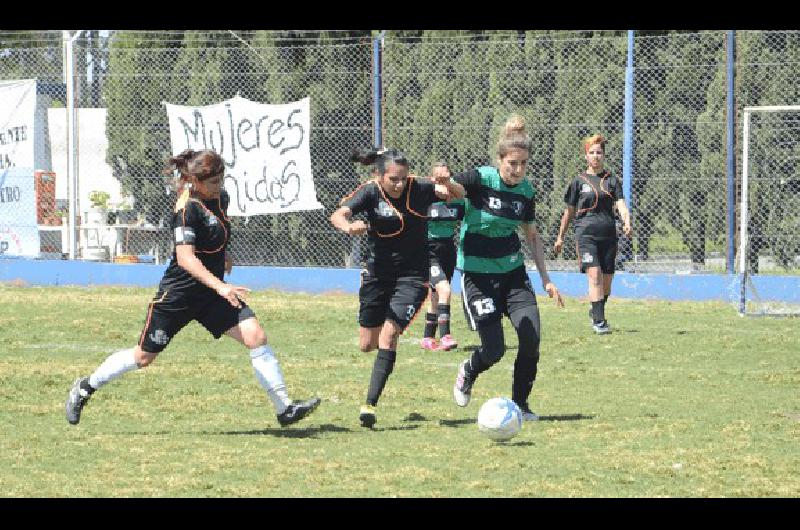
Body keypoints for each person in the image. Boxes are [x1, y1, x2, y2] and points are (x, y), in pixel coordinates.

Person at [65, 149, 320, 428]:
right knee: (144, 356)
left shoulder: (220, 199)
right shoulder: (185, 210)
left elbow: (214, 234)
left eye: (221, 180)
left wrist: (222, 255)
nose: (218, 187)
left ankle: (285, 409)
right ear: (195, 181)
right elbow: (186, 258)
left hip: (210, 295)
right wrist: (222, 287)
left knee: (256, 336)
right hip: (179, 296)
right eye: (212, 182)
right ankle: (84, 388)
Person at [330, 147, 465, 428]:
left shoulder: (420, 188)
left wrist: (446, 181)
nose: (399, 184)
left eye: (403, 178)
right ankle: (374, 376)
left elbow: (456, 194)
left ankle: (369, 405)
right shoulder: (369, 192)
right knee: (367, 344)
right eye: (393, 179)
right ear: (378, 176)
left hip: (413, 275)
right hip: (377, 273)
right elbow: (338, 215)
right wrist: (349, 227)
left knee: (389, 337)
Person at [442, 114, 565, 421]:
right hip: (478, 277)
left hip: (513, 274)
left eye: (524, 164)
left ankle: (521, 405)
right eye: (512, 163)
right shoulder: (481, 179)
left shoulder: (526, 193)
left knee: (531, 337)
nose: (518, 170)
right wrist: (445, 182)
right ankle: (468, 370)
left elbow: (532, 237)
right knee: (494, 350)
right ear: (500, 160)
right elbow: (455, 190)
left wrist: (547, 280)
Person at [554, 133, 632, 334]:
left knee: (606, 282)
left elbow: (621, 204)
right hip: (586, 234)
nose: (596, 156)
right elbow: (569, 211)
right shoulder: (578, 182)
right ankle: (599, 321)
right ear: (585, 156)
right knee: (594, 274)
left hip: (608, 235)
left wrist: (627, 220)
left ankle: (596, 310)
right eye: (592, 152)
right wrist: (561, 236)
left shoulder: (611, 180)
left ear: (604, 155)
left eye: (599, 152)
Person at [420, 178, 464, 352]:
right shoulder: (423, 200)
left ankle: (427, 337)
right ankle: (445, 336)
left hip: (448, 250)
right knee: (445, 290)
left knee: (436, 295)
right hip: (429, 251)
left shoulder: (458, 202)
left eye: (445, 181)